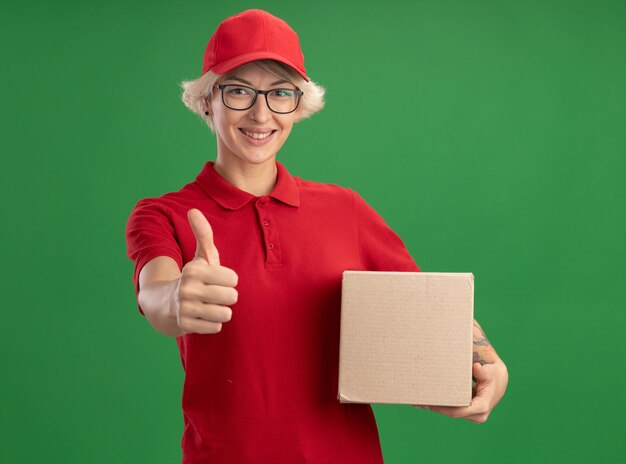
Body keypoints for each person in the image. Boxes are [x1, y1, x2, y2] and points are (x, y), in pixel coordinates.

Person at [125, 9, 508, 464]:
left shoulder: (347, 210)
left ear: (298, 106)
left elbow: (425, 308)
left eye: (280, 93)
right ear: (208, 99)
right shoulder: (164, 214)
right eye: (240, 90)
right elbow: (156, 294)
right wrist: (175, 300)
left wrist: (491, 365)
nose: (261, 112)